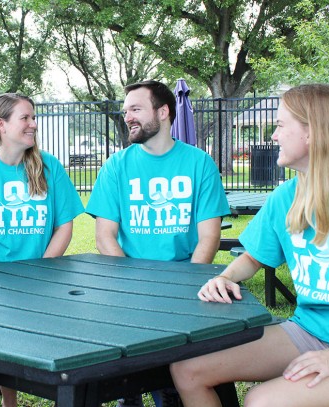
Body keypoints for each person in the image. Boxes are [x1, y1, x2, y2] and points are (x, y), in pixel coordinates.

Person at [170, 83, 329, 407]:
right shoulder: (285, 197)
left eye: (280, 125)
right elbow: (253, 257)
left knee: (264, 401)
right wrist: (226, 278)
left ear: (312, 132)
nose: (273, 136)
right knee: (188, 369)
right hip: (310, 331)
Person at [85, 80, 230, 406]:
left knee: (176, 381)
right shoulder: (116, 166)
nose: (128, 117)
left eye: (136, 109)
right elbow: (104, 236)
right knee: (124, 376)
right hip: (131, 287)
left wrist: (187, 287)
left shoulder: (199, 163)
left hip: (185, 283)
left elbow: (209, 236)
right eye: (126, 111)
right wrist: (132, 286)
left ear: (164, 112)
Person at [0, 93, 85, 407]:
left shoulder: (48, 167)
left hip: (44, 278)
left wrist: (44, 268)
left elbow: (64, 225)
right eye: (25, 118)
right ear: (1, 124)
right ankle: (4, 398)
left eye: (33, 117)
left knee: (55, 345)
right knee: (1, 342)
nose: (33, 124)